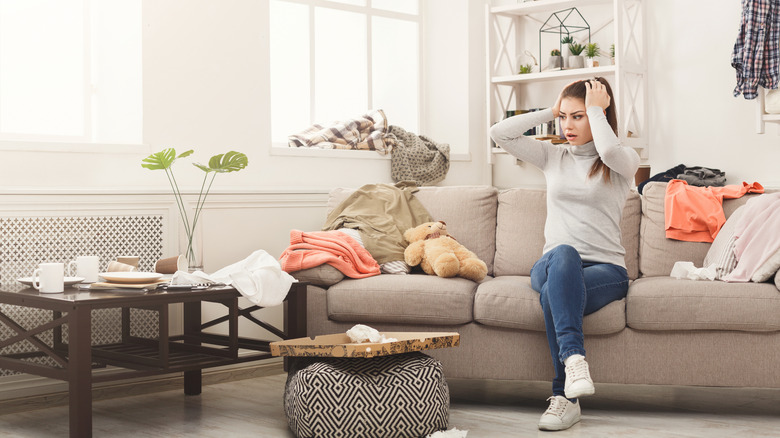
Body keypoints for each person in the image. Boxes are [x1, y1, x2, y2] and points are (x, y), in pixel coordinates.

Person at [489, 77, 640, 431]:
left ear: (600, 116)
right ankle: (574, 361)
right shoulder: (552, 155)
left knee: (555, 297)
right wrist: (549, 110)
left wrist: (596, 110)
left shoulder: (621, 163)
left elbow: (609, 152)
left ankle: (564, 398)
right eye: (564, 117)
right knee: (564, 256)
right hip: (553, 261)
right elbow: (500, 132)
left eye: (579, 117)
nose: (567, 126)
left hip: (606, 271)